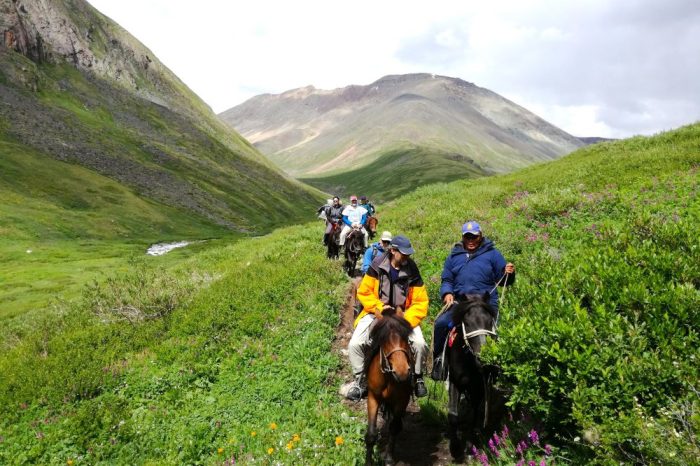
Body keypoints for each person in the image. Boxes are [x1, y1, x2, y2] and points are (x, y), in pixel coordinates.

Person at [345, 235, 430, 400]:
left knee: (419, 344)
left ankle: (417, 378)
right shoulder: (376, 266)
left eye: (408, 254)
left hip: (403, 316)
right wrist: (380, 308)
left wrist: (406, 319)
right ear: (393, 250)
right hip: (375, 313)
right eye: (403, 253)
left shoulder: (412, 270)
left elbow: (421, 302)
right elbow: (364, 292)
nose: (407, 257)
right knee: (355, 343)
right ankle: (360, 380)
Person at [431, 221, 515, 380]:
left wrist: (509, 273)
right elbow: (447, 279)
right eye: (467, 236)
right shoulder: (454, 256)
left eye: (474, 237)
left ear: (480, 236)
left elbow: (503, 281)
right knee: (441, 324)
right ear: (463, 237)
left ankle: (502, 371)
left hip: (485, 303)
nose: (470, 240)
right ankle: (439, 362)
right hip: (461, 304)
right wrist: (447, 293)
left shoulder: (493, 254)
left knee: (500, 332)